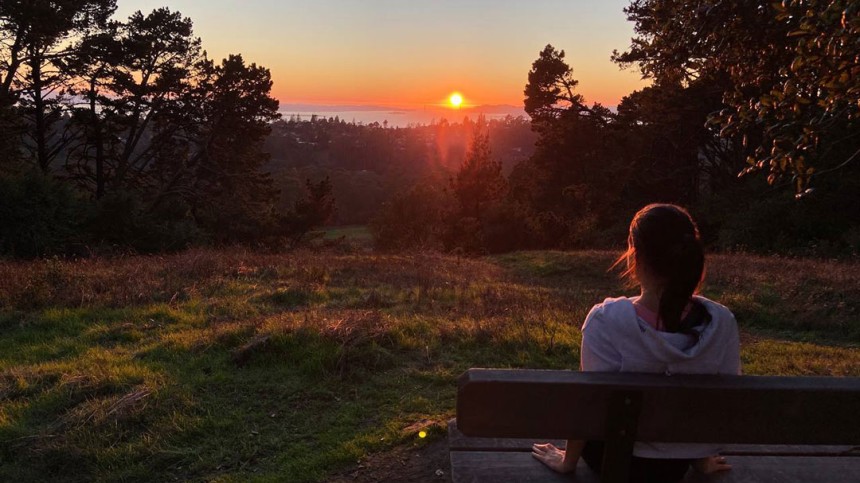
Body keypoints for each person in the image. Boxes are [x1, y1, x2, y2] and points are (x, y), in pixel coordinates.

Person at [532, 203, 741, 482]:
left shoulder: (606, 320)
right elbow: (719, 403)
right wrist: (700, 456)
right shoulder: (721, 322)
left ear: (635, 256)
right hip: (676, 464)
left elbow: (589, 407)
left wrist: (567, 462)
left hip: (612, 459)